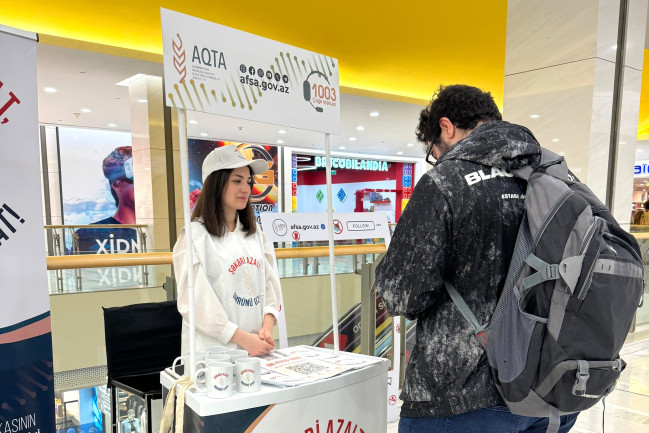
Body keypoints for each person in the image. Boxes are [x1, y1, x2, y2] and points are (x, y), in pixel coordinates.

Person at [375, 85, 578, 432]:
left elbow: (400, 293)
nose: (437, 158)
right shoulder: (559, 176)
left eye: (433, 150)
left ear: (446, 128)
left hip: (461, 396)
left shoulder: (446, 181)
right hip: (553, 386)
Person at [173, 146, 281, 356]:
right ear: (216, 183)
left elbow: (269, 284)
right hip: (214, 357)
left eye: (249, 182)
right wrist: (242, 339)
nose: (246, 189)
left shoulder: (255, 233)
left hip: (257, 350)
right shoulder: (194, 236)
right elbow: (196, 304)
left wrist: (267, 326)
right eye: (237, 180)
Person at [75, 146, 138, 253]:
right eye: (136, 180)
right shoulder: (91, 234)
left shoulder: (163, 230)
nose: (147, 186)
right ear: (116, 184)